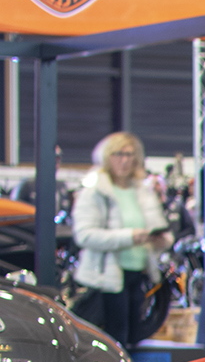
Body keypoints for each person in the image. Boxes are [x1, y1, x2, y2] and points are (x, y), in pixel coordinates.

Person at [71, 131, 169, 348]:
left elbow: (159, 228)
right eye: (118, 154)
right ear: (107, 157)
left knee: (135, 339)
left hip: (139, 275)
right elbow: (85, 235)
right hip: (107, 279)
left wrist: (159, 239)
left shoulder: (143, 191)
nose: (125, 160)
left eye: (130, 154)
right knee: (114, 341)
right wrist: (129, 236)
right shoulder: (95, 191)